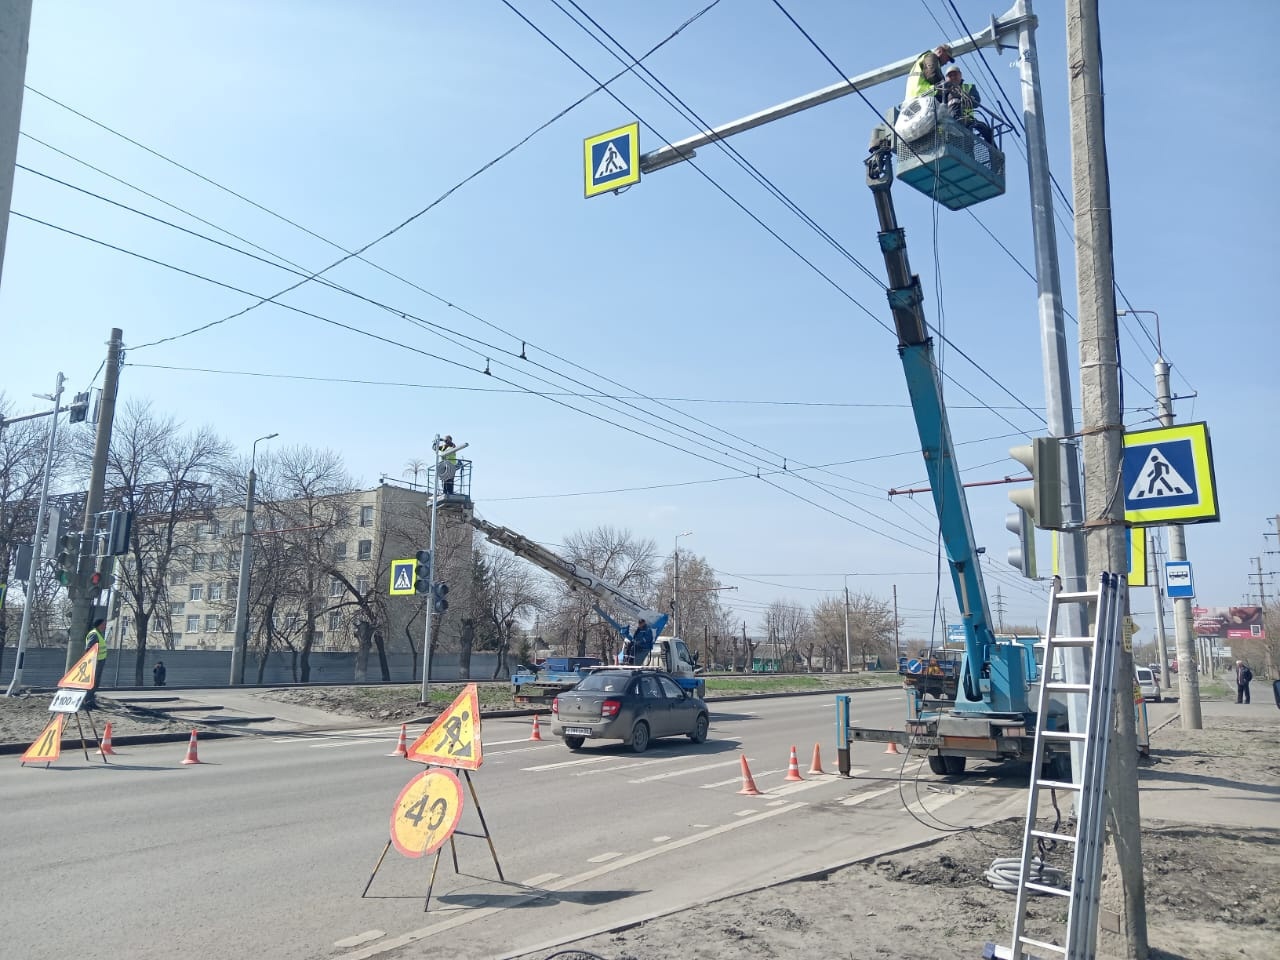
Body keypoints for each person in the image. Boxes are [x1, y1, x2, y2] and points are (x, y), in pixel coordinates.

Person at [942, 64, 994, 145]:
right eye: (950, 76)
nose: (952, 77)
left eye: (955, 74)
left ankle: (993, 149)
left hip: (967, 120)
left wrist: (965, 97)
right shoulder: (943, 90)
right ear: (946, 78)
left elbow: (976, 101)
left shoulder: (969, 87)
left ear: (960, 75)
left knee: (984, 129)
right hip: (949, 122)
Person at [85, 617, 108, 708]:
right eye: (103, 624)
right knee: (92, 682)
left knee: (95, 683)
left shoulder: (98, 634)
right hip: (95, 662)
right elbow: (89, 649)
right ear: (99, 625)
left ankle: (90, 700)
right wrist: (92, 662)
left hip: (99, 661)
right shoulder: (94, 634)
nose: (105, 626)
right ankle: (88, 701)